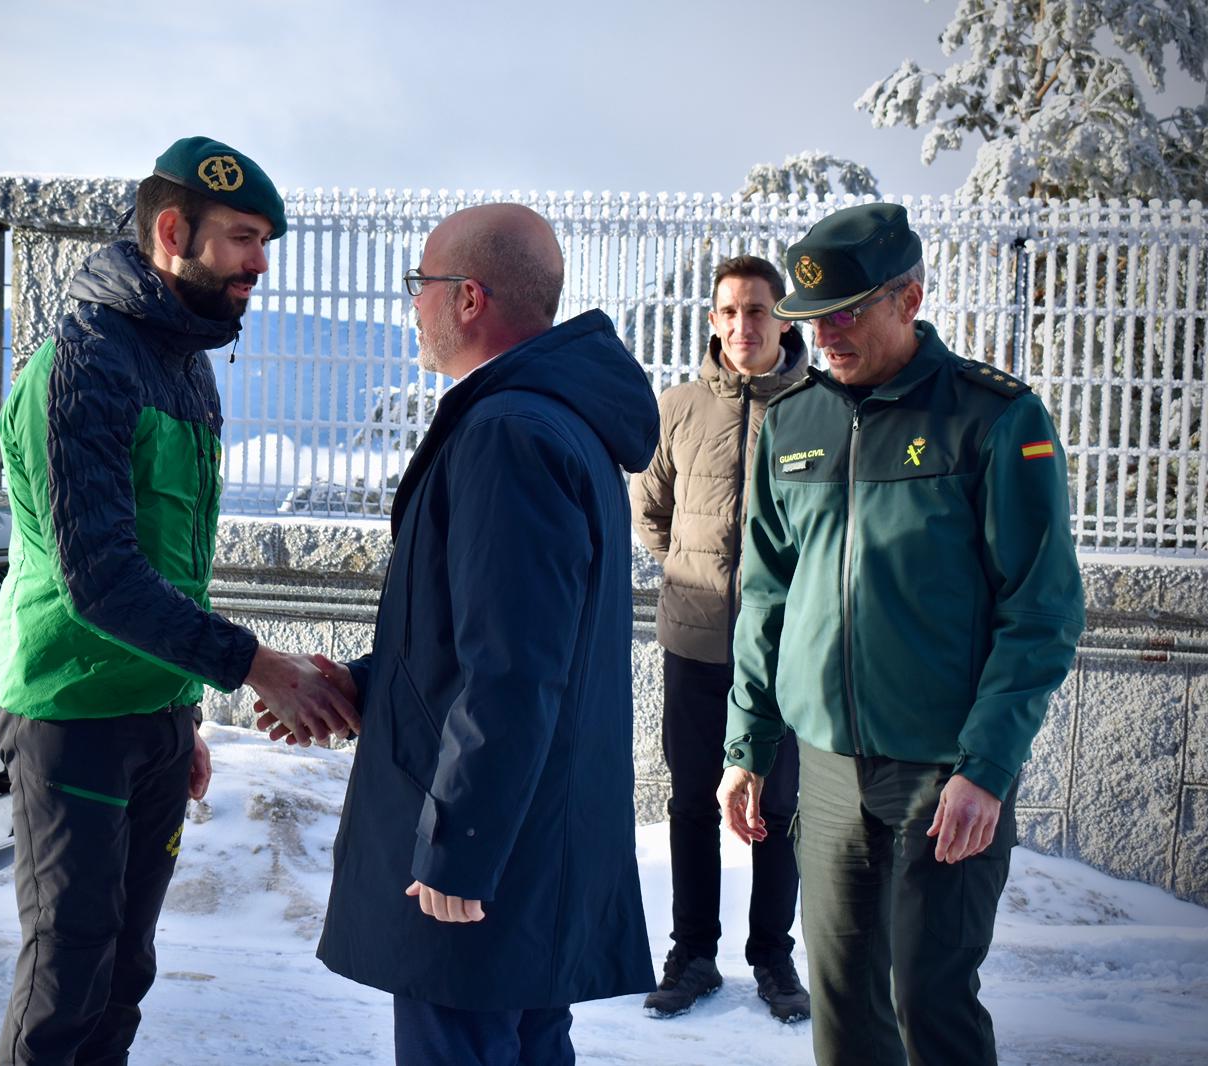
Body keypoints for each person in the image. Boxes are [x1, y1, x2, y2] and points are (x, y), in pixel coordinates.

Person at [0, 135, 360, 1066]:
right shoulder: (85, 364)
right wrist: (258, 667)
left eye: (265, 240)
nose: (260, 263)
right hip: (71, 710)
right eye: (242, 237)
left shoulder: (185, 362)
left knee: (125, 973)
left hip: (151, 714)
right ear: (171, 230)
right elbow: (104, 578)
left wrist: (178, 713)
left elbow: (176, 563)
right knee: (67, 971)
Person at [286, 202, 659, 1065]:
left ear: (468, 298)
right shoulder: (546, 420)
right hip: (521, 851)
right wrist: (369, 683)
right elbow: (485, 636)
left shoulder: (509, 433)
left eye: (420, 284)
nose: (412, 304)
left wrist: (460, 848)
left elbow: (516, 670)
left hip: (486, 867)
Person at [718, 202, 1084, 1066]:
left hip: (943, 773)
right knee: (844, 1012)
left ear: (910, 297)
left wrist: (986, 769)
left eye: (849, 311)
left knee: (931, 1002)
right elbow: (768, 594)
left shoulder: (994, 418)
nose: (828, 335)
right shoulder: (793, 423)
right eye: (813, 318)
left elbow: (1039, 612)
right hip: (831, 772)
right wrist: (749, 744)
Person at [628, 255, 811, 1023]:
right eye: (730, 311)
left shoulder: (818, 408)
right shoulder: (679, 407)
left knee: (780, 803)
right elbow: (649, 508)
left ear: (782, 319)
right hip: (697, 646)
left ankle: (773, 956)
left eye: (759, 310)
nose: (744, 325)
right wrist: (696, 575)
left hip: (790, 656)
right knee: (694, 803)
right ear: (712, 319)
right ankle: (692, 952)